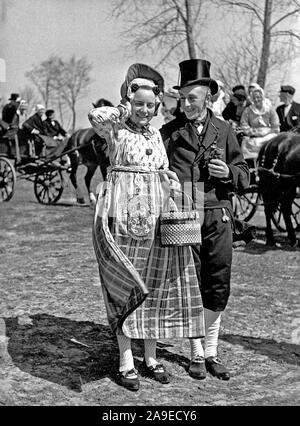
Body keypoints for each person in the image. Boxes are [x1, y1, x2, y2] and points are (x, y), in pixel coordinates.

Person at [88, 63, 205, 391]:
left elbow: (164, 167)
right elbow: (97, 117)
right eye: (138, 103)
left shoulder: (155, 133)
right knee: (127, 284)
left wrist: (171, 181)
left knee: (154, 286)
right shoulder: (116, 130)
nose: (143, 110)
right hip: (122, 213)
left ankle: (151, 358)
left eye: (149, 105)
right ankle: (126, 358)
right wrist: (125, 104)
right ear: (129, 100)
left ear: (157, 108)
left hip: (154, 215)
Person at [160, 59, 250, 381]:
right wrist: (165, 182)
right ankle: (197, 353)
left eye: (191, 98)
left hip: (218, 214)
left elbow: (244, 173)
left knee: (217, 283)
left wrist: (229, 173)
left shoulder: (225, 130)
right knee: (190, 284)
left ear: (208, 98)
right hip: (184, 214)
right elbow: (155, 172)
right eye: (181, 98)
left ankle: (212, 351)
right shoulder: (168, 134)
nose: (184, 104)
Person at [240, 85, 280, 160]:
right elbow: (244, 124)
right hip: (253, 135)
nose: (256, 99)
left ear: (262, 97)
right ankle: (250, 163)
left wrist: (266, 131)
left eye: (258, 97)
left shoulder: (270, 110)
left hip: (268, 135)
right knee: (245, 142)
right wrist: (253, 132)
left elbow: (275, 125)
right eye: (254, 98)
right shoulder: (248, 110)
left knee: (272, 141)